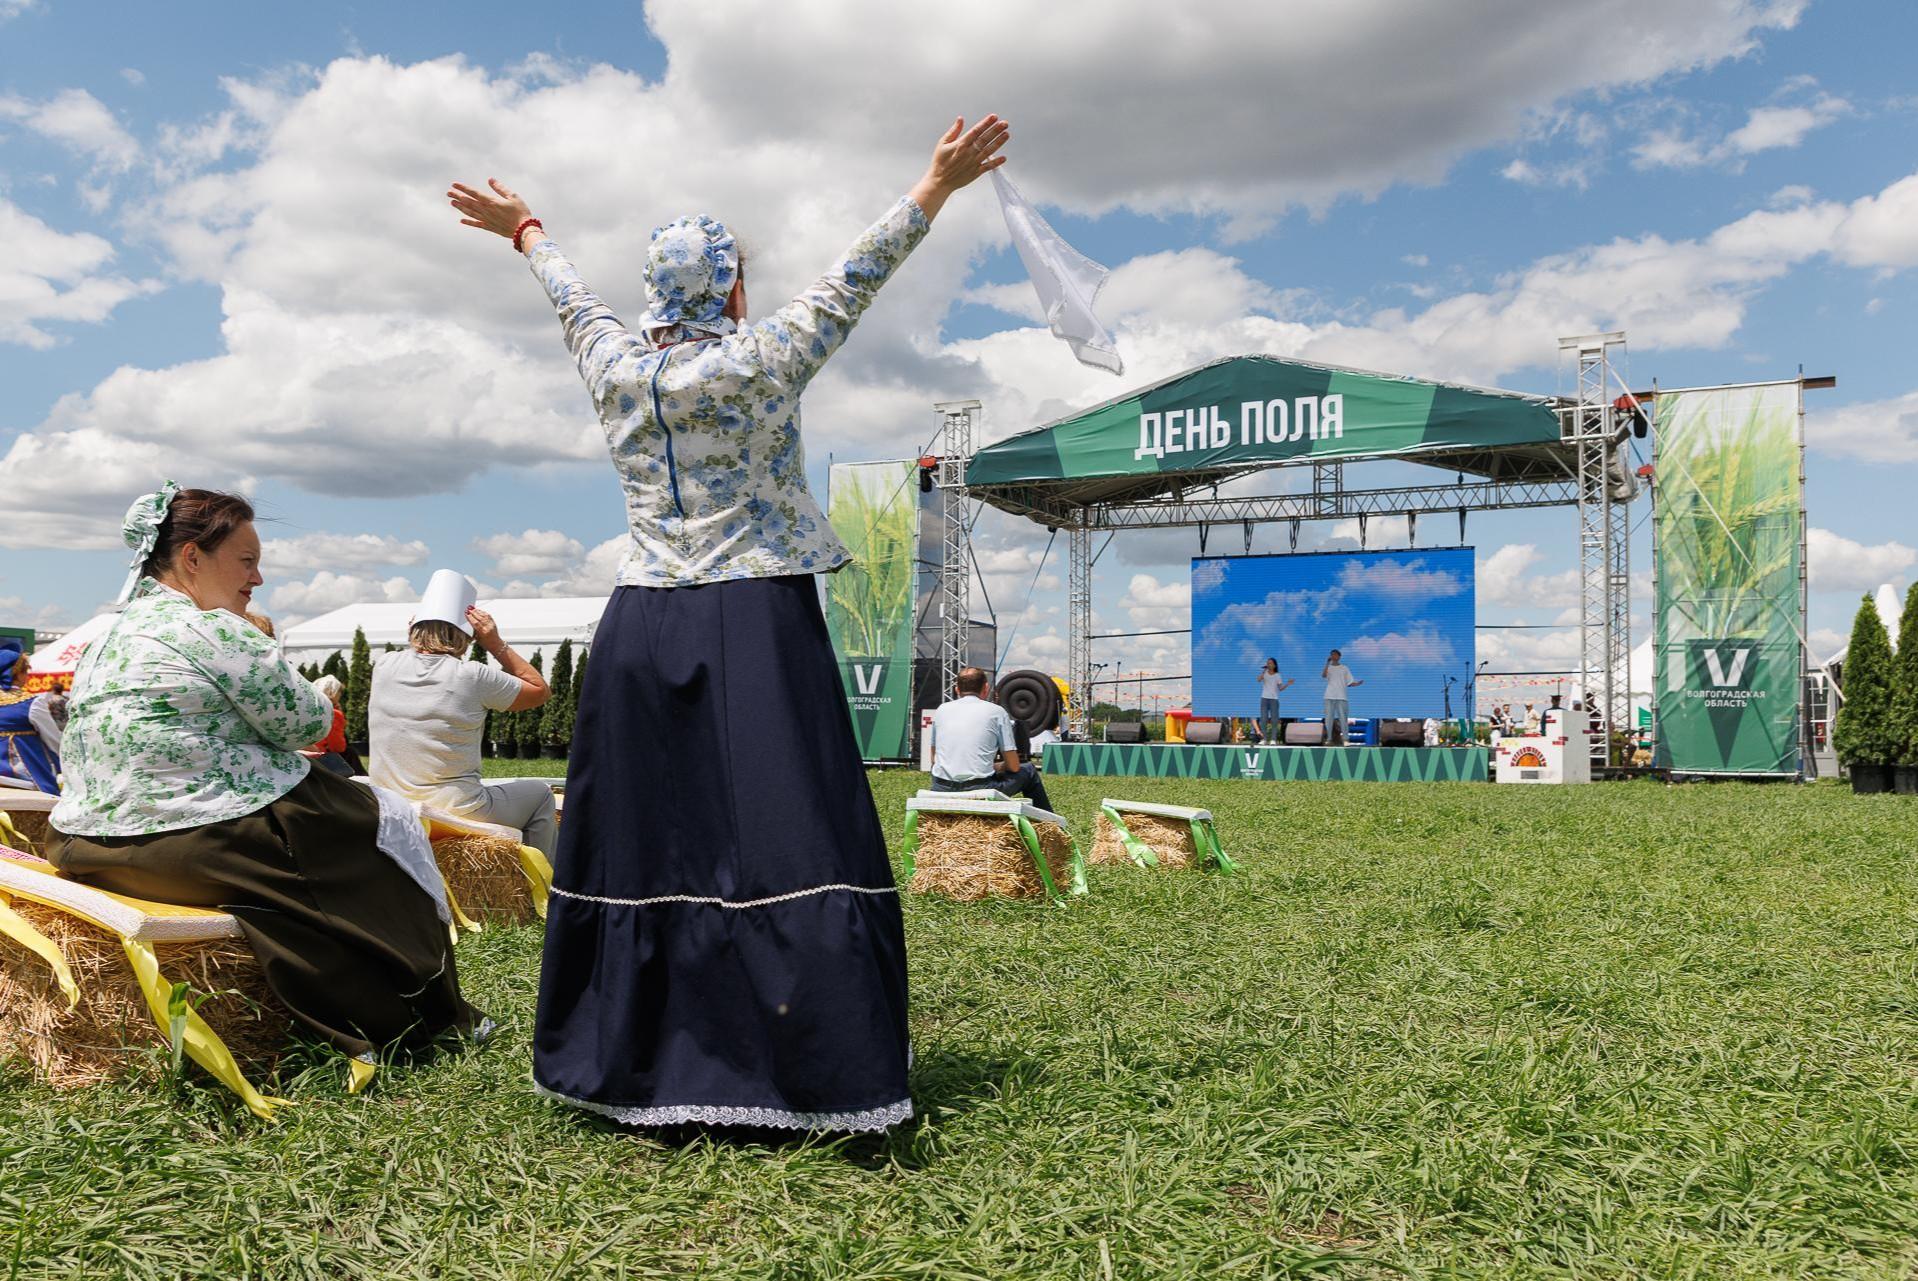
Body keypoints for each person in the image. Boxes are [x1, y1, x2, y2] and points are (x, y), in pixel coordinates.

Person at [448, 111, 1011, 1132]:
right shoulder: (763, 357)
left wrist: (525, 227)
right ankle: (804, 1064)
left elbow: (571, 296)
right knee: (785, 835)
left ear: (656, 293)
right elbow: (856, 276)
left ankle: (635, 1062)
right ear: (733, 289)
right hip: (752, 618)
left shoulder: (613, 364)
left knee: (645, 846)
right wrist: (934, 184)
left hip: (638, 624)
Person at [47, 485, 486, 1079]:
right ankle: (417, 1015)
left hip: (84, 844)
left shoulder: (105, 637)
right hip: (185, 842)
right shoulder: (213, 629)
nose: (257, 578)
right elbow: (307, 722)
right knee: (377, 836)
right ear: (193, 558)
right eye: (247, 560)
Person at [368, 572, 555, 858]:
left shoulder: (384, 666)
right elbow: (540, 691)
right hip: (456, 810)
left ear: (414, 627)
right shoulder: (472, 675)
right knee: (541, 795)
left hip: (393, 806)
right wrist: (495, 644)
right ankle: (542, 882)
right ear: (467, 635)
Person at [929, 668, 1055, 812]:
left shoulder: (941, 710)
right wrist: (997, 766)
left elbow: (933, 759)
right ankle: (1049, 821)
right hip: (980, 788)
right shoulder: (997, 712)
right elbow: (1014, 766)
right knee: (1029, 771)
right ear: (986, 688)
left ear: (956, 689)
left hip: (941, 787)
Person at [302, 673, 361, 777]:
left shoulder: (305, 709)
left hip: (303, 754)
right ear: (332, 693)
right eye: (339, 692)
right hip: (322, 759)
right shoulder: (333, 714)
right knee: (350, 752)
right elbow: (338, 747)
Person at [1321, 649, 1362, 745]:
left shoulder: (1344, 668)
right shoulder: (1328, 667)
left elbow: (1349, 682)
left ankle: (1345, 739)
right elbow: (1323, 675)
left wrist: (1357, 684)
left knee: (1343, 718)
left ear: (1339, 656)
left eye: (1335, 654)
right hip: (1329, 696)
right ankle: (1329, 739)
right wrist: (1327, 663)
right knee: (1328, 719)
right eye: (1332, 655)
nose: (1333, 656)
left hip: (1342, 696)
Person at [1254, 658, 1291, 745]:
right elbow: (1258, 680)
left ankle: (1273, 739)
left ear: (1274, 665)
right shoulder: (1265, 673)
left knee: (1274, 720)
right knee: (1263, 719)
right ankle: (1264, 739)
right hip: (1264, 699)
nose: (1268, 664)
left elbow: (1280, 688)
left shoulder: (1278, 675)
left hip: (1274, 699)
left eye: (1270, 663)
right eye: (1267, 663)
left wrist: (1288, 684)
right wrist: (1263, 672)